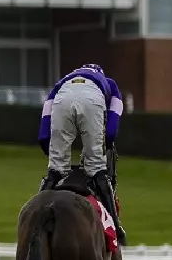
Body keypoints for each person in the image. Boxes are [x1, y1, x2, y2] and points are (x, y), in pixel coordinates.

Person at [37, 63, 125, 242]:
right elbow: (111, 130)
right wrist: (103, 145)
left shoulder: (61, 82)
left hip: (62, 99)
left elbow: (44, 133)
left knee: (56, 169)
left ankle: (35, 220)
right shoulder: (110, 84)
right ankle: (116, 228)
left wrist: (52, 154)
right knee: (97, 169)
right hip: (92, 99)